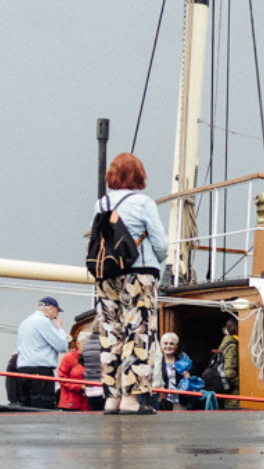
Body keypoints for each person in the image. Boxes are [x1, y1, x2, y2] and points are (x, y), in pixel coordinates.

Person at [93, 151, 169, 415]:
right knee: (138, 332)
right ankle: (131, 400)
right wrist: (159, 260)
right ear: (138, 175)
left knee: (110, 333)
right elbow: (161, 243)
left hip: (106, 275)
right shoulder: (143, 202)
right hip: (139, 273)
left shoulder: (102, 203)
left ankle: (111, 399)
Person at [11, 296, 70, 408]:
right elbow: (62, 346)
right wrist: (60, 329)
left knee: (25, 407)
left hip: (23, 370)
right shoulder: (44, 322)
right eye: (57, 312)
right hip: (40, 371)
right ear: (51, 308)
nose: (56, 316)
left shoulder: (25, 323)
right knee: (42, 408)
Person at [57, 335, 88, 412]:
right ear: (78, 344)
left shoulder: (94, 358)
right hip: (71, 402)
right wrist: (79, 387)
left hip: (88, 403)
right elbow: (61, 378)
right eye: (86, 344)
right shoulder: (68, 358)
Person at [80, 325, 105, 413]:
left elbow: (81, 361)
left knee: (96, 414)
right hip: (104, 387)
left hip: (90, 388)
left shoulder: (86, 344)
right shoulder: (105, 343)